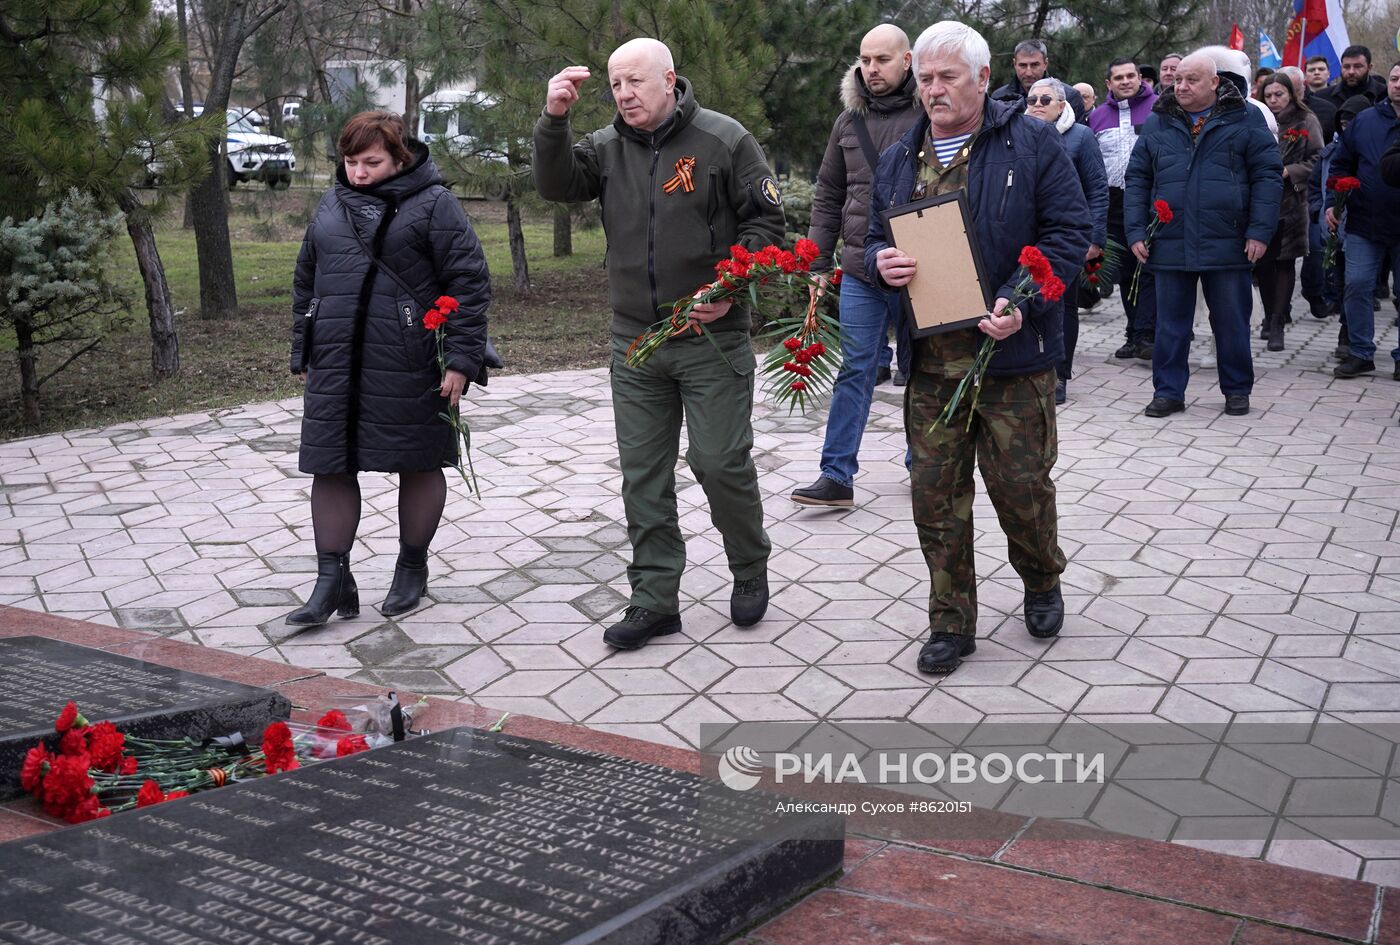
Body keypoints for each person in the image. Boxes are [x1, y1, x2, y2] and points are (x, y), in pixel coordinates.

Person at [533, 38, 783, 649]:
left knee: (719, 463)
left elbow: (765, 222)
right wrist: (554, 118)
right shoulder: (605, 146)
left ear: (669, 80)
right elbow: (557, 183)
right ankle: (654, 598)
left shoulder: (724, 140)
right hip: (635, 339)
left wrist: (733, 282)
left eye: (635, 82)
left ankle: (749, 568)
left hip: (710, 335)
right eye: (616, 84)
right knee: (643, 475)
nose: (623, 94)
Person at [865, 22, 1090, 675]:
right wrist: (882, 260)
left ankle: (1042, 576)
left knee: (1020, 487)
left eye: (947, 78)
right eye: (925, 78)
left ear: (984, 78)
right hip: (934, 363)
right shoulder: (899, 157)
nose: (933, 89)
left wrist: (1022, 301)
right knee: (935, 492)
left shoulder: (1034, 144)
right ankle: (951, 619)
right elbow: (874, 237)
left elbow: (1068, 233)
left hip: (1012, 358)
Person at [287, 111, 491, 626]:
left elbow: (468, 282)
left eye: (371, 162)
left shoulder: (434, 203)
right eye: (350, 162)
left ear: (400, 157)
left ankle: (411, 567)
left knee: (418, 461)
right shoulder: (331, 202)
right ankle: (332, 580)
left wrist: (462, 359)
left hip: (410, 357)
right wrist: (306, 349)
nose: (358, 172)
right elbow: (306, 279)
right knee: (330, 462)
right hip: (336, 356)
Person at [791, 24, 922, 509]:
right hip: (861, 270)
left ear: (907, 61)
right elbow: (828, 194)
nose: (872, 69)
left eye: (882, 60)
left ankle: (923, 464)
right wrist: (816, 260)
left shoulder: (931, 112)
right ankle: (836, 475)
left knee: (922, 370)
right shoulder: (848, 121)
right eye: (865, 60)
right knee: (855, 368)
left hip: (919, 268)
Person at [1126, 51, 1283, 418]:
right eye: (1177, 79)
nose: (1181, 86)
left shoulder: (1245, 117)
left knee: (1230, 321)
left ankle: (1237, 390)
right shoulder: (1159, 121)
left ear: (1215, 82)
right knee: (1170, 325)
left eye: (1191, 80)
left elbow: (1267, 177)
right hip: (1170, 238)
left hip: (1228, 239)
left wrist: (1259, 231)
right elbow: (1137, 178)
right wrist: (1136, 231)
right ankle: (1168, 392)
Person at [1025, 77, 1107, 404]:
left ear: (1062, 105)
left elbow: (1097, 190)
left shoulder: (1081, 137)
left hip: (1067, 237)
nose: (1037, 105)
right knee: (1029, 300)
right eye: (1032, 99)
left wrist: (1095, 239)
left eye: (1046, 100)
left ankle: (1060, 373)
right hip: (1027, 237)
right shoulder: (1018, 135)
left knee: (1062, 306)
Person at [1325, 62, 1400, 381]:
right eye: (1395, 78)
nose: (1398, 84)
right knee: (1356, 285)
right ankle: (1360, 352)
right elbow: (1341, 164)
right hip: (1364, 222)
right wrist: (1334, 202)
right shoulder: (1366, 120)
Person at [1088, 57, 1157, 359]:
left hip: (1151, 199)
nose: (1126, 81)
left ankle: (1147, 334)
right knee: (1126, 270)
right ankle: (1133, 333)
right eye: (1119, 78)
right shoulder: (1098, 116)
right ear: (1109, 83)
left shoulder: (1159, 107)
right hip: (1114, 201)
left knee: (1149, 267)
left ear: (1140, 78)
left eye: (1131, 76)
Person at [1256, 74, 1323, 352]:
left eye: (1279, 94)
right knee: (1261, 264)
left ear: (1291, 95)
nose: (1273, 100)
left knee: (1284, 262)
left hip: (1291, 201)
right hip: (1259, 201)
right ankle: (1270, 312)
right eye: (1268, 95)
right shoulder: (1256, 118)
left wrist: (1290, 171)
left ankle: (1277, 322)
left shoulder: (1306, 120)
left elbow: (1319, 158)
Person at [1308, 96, 1370, 353]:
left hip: (1365, 227)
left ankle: (1352, 332)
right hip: (1334, 227)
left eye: (1352, 122)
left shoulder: (1369, 151)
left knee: (1357, 284)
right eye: (1343, 123)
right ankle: (1347, 333)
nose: (1347, 128)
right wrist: (1317, 209)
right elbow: (1316, 186)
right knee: (1342, 282)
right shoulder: (1330, 152)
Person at [990, 39, 1086, 120]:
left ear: (1045, 64)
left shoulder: (1070, 97)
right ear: (1014, 64)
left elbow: (1078, 137)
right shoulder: (999, 98)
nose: (1029, 73)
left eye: (1035, 65)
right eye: (1022, 65)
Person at [1319, 45, 1388, 111]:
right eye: (1346, 67)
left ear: (1369, 67)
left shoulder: (1386, 95)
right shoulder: (1322, 97)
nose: (1351, 72)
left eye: (1357, 66)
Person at [1282, 64, 1336, 144]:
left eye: (1295, 92)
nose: (1290, 98)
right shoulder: (1268, 108)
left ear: (1303, 84)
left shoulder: (1326, 110)